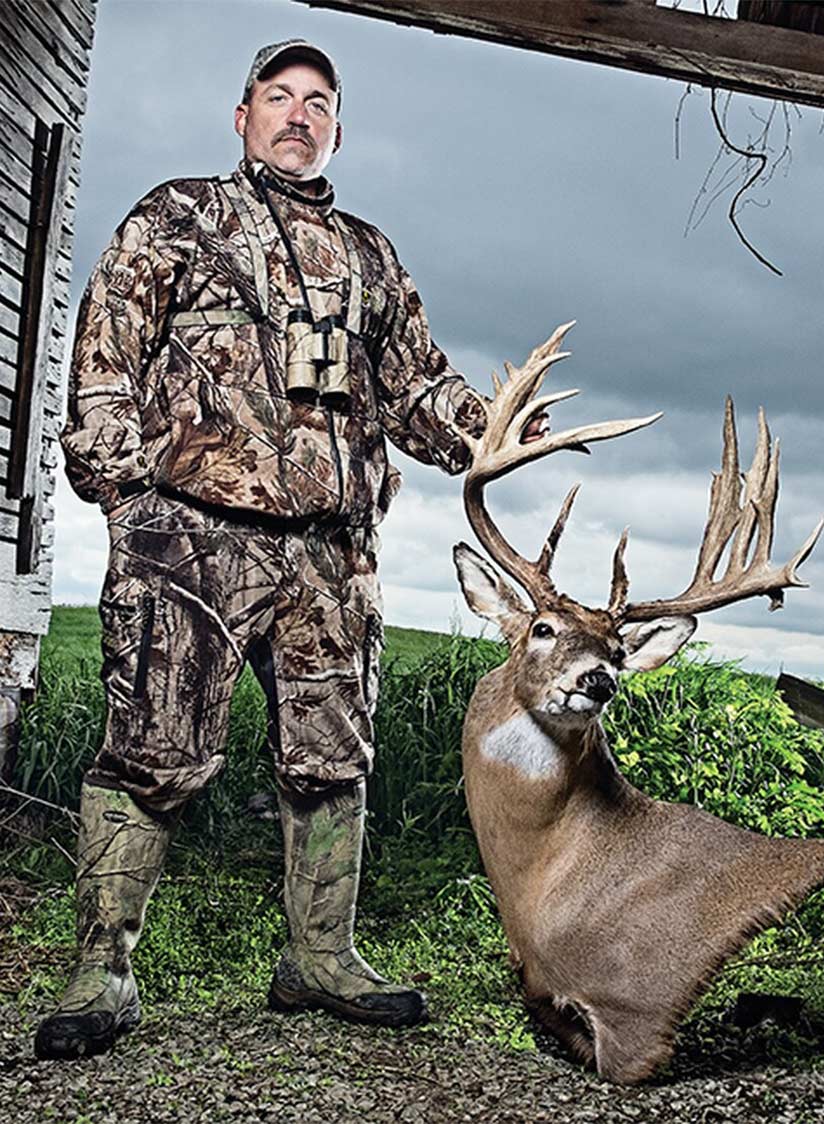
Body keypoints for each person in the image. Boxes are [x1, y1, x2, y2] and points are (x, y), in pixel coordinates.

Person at [37, 40, 518, 1059]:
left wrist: (495, 426)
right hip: (192, 539)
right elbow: (106, 347)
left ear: (337, 127)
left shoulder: (368, 254)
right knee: (152, 750)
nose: (299, 115)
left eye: (319, 103)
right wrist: (125, 497)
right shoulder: (179, 216)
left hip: (330, 556)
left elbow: (417, 383)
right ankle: (102, 970)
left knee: (332, 757)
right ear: (243, 112)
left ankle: (321, 956)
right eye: (280, 97)